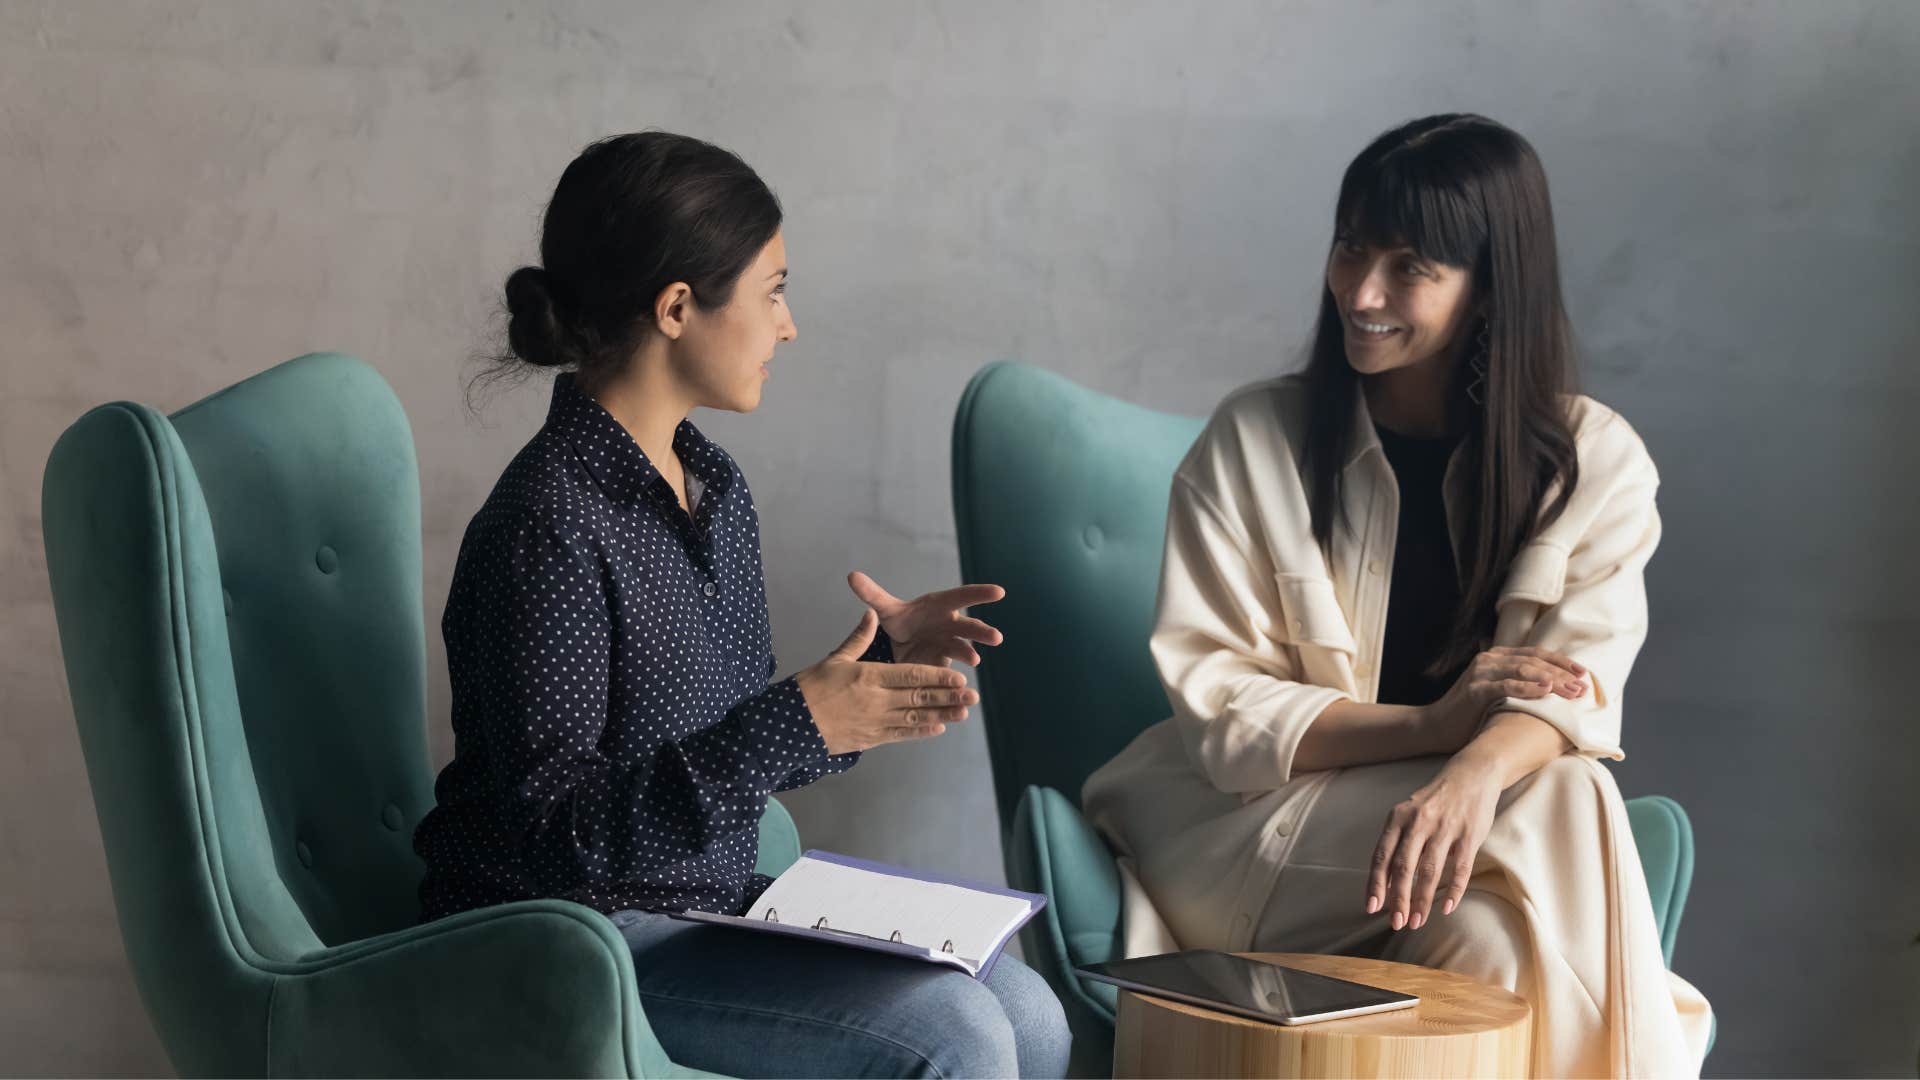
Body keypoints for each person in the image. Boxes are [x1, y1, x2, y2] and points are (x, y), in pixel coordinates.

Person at [412, 131, 1069, 1079]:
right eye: (772, 291)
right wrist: (796, 719)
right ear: (678, 307)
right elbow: (558, 841)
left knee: (1031, 1014)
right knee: (954, 1037)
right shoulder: (544, 526)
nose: (788, 325)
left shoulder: (713, 488)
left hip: (702, 908)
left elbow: (709, 742)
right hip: (567, 941)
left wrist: (873, 674)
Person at [1082, 114, 1713, 1078]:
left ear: (1491, 289)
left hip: (1441, 861)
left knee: (1498, 956)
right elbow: (1225, 718)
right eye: (1350, 247)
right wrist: (1441, 727)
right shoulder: (1255, 439)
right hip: (1239, 835)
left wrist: (1470, 774)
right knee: (1572, 792)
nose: (1361, 291)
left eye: (1411, 265)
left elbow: (1575, 683)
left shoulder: (1597, 462)